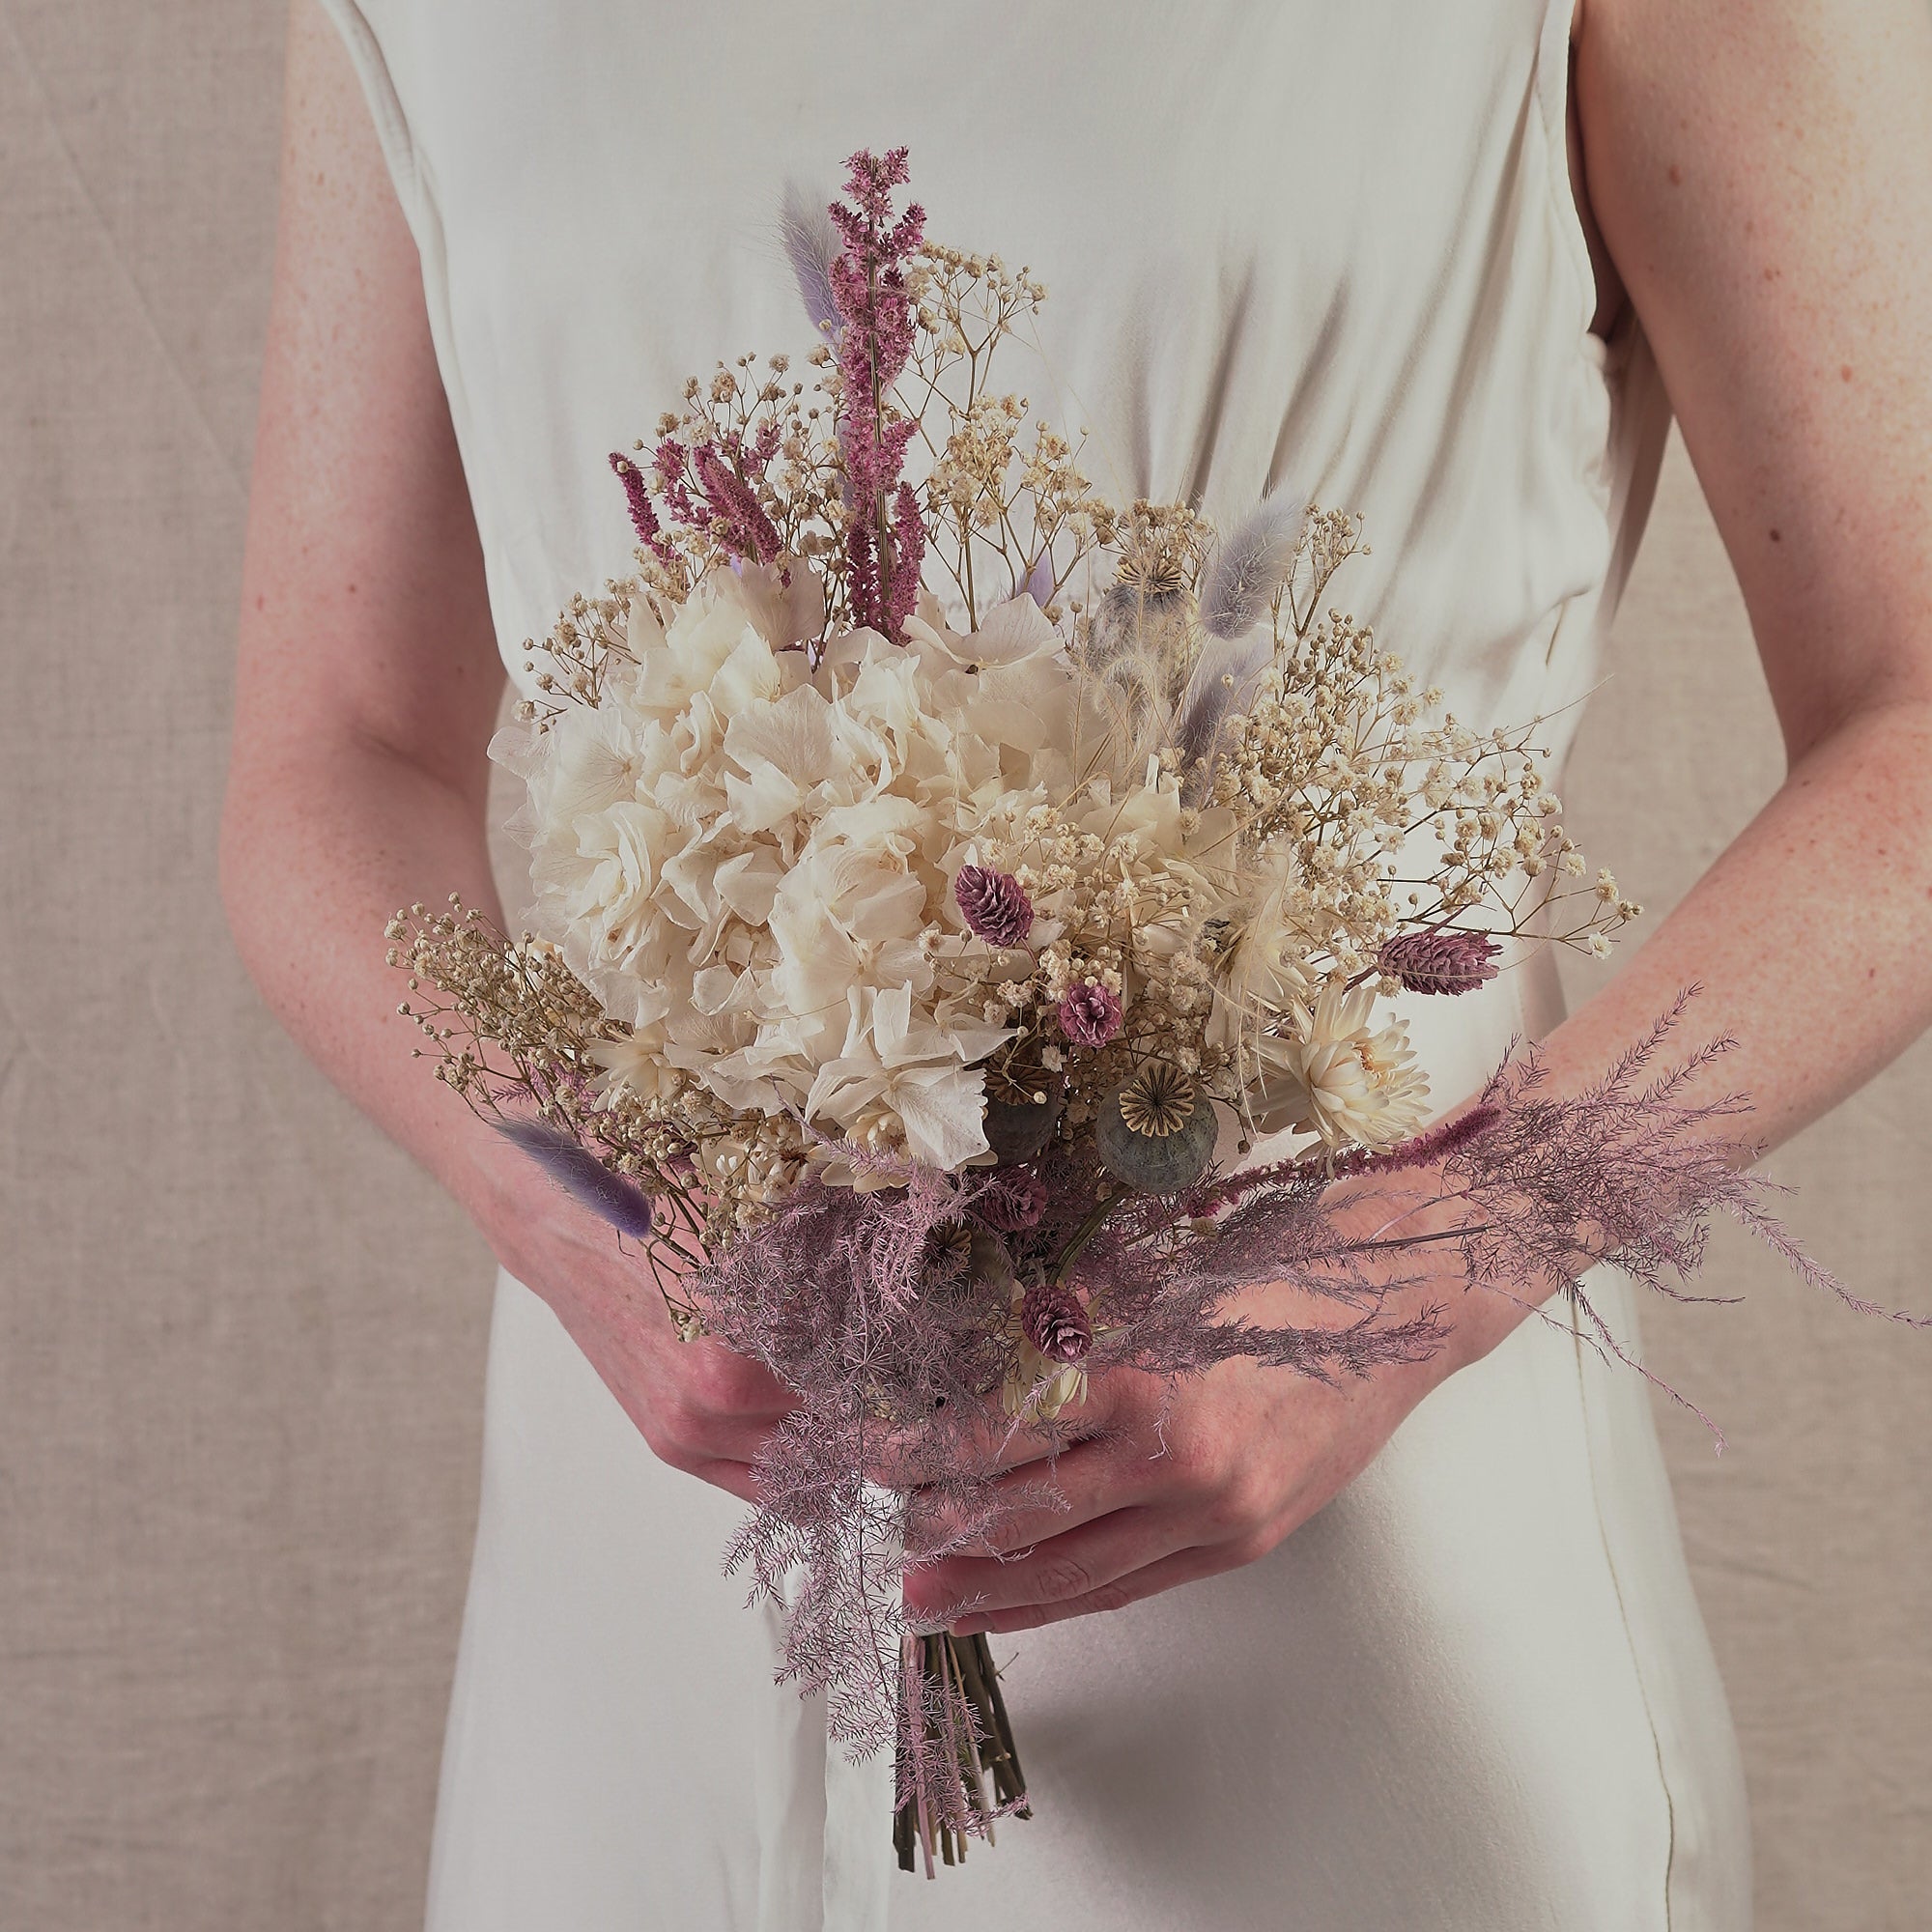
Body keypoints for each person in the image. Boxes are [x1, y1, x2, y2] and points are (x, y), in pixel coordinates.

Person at [220, 1, 1932, 1925]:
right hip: (648, 1586)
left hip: (1341, 1573)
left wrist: (1413, 1270)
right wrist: (564, 1209)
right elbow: (333, 751)